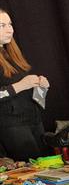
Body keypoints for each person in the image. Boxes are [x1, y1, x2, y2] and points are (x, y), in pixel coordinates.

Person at [0, 8, 49, 162]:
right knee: (31, 168)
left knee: (46, 165)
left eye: (10, 24)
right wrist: (21, 85)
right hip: (12, 125)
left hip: (34, 119)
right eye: (2, 25)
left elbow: (26, 90)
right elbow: (16, 88)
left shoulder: (11, 53)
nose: (10, 29)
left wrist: (41, 86)